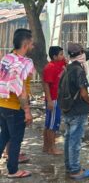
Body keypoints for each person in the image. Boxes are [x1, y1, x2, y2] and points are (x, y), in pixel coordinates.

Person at [0, 28, 34, 178]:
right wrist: (27, 110)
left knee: (4, 136)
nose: (32, 46)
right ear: (25, 44)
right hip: (15, 107)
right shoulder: (26, 63)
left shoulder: (6, 58)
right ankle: (13, 170)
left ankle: (12, 167)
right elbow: (22, 90)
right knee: (15, 140)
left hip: (2, 104)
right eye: (31, 43)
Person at [62, 43, 89, 180]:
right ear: (81, 53)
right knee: (75, 141)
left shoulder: (67, 68)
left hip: (68, 109)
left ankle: (69, 166)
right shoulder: (79, 70)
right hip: (78, 110)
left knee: (68, 139)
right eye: (83, 52)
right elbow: (83, 93)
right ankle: (75, 170)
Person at [42, 46, 67, 155]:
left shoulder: (61, 63)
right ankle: (52, 148)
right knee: (52, 125)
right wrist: (50, 100)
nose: (63, 56)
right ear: (54, 56)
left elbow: (66, 61)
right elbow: (46, 85)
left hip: (57, 98)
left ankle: (46, 147)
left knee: (49, 124)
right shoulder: (49, 67)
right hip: (53, 99)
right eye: (61, 54)